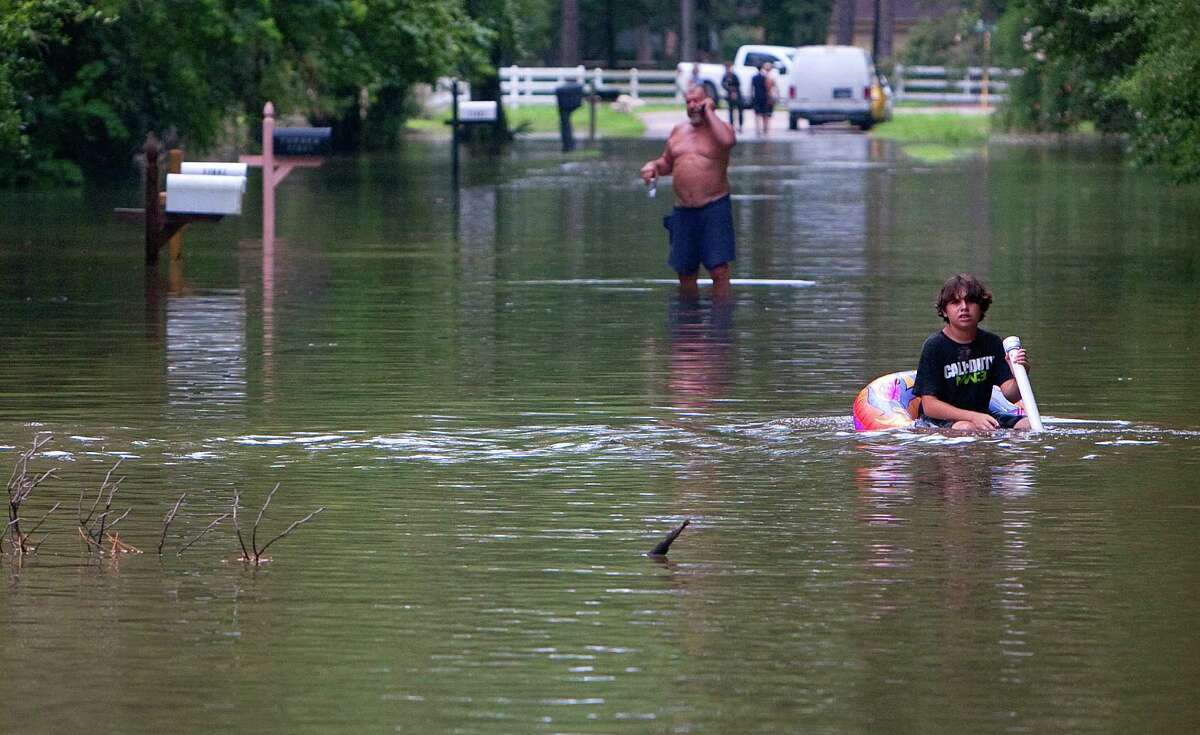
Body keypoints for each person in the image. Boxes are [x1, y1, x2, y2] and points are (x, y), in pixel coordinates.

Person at [639, 86, 737, 296]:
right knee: (685, 271)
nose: (692, 106)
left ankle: (720, 323)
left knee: (718, 270)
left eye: (697, 101)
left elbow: (728, 142)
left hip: (714, 207)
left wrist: (709, 111)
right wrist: (653, 167)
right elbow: (667, 162)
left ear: (708, 101)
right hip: (683, 211)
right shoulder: (679, 131)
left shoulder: (721, 130)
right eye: (688, 102)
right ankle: (687, 321)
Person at [913, 273, 1032, 431]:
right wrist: (972, 417)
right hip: (938, 421)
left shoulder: (992, 343)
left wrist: (1019, 373)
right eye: (956, 302)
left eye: (970, 301)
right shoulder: (934, 346)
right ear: (945, 311)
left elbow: (1012, 395)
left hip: (981, 415)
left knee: (1026, 424)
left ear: (981, 307)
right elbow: (929, 406)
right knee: (966, 428)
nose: (964, 307)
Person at [750, 62, 776, 137]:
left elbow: (752, 87)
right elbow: (768, 88)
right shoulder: (766, 77)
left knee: (757, 114)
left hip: (757, 97)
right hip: (764, 97)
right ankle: (765, 128)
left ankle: (758, 128)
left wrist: (751, 96)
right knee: (765, 114)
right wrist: (770, 97)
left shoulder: (754, 77)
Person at [721, 62, 743, 132]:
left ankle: (740, 126)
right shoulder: (725, 76)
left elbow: (738, 84)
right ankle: (731, 126)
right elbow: (723, 85)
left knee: (739, 110)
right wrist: (729, 89)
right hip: (729, 95)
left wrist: (734, 92)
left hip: (737, 95)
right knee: (731, 111)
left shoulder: (734, 76)